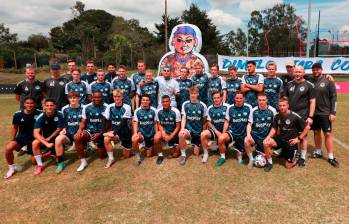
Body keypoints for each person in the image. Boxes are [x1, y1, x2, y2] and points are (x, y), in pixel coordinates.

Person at [263, 97, 309, 172]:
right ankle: (269, 163)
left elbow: (307, 127)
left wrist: (298, 139)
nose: (282, 107)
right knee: (265, 142)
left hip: (291, 142)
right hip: (281, 139)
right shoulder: (277, 116)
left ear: (288, 106)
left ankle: (296, 157)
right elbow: (274, 129)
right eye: (280, 105)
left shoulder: (294, 116)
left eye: (284, 105)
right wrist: (268, 137)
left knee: (288, 166)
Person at [284, 66, 315, 167]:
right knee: (291, 135)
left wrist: (310, 116)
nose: (297, 74)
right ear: (293, 72)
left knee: (303, 137)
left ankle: (302, 157)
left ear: (303, 73)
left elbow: (312, 102)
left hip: (302, 115)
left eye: (299, 72)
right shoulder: (289, 84)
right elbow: (285, 99)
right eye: (296, 72)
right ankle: (295, 153)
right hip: (290, 115)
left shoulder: (309, 85)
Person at [4, 97, 42, 179]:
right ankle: (12, 168)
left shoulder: (40, 113)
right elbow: (15, 127)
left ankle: (44, 153)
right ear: (24, 104)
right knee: (8, 148)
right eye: (27, 103)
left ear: (35, 104)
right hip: (22, 138)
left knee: (34, 162)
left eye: (31, 103)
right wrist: (13, 139)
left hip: (34, 139)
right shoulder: (18, 114)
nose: (29, 105)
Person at [310, 63, 339, 167]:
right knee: (316, 132)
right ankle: (318, 151)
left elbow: (334, 98)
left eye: (317, 69)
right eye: (313, 70)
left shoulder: (328, 81)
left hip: (325, 113)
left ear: (321, 70)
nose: (315, 71)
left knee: (327, 134)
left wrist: (333, 112)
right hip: (314, 113)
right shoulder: (310, 81)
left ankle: (331, 156)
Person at [74, 92, 108, 172]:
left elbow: (108, 123)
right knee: (77, 137)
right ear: (91, 98)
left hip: (102, 132)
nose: (97, 99)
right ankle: (83, 162)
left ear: (102, 97)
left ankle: (100, 146)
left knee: (102, 156)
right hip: (90, 131)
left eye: (99, 97)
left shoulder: (106, 107)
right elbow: (83, 121)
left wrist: (100, 133)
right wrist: (79, 130)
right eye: (95, 97)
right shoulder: (86, 107)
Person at [218, 92, 252, 166]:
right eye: (237, 98)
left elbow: (250, 122)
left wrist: (249, 134)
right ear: (234, 98)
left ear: (244, 99)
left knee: (239, 157)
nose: (239, 100)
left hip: (243, 134)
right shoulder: (230, 108)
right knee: (221, 138)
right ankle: (222, 157)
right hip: (233, 132)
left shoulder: (248, 107)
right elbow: (227, 121)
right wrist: (223, 133)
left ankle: (243, 151)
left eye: (240, 98)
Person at [32, 99, 65, 175]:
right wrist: (46, 143)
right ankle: (40, 165)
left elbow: (58, 129)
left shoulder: (59, 114)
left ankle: (54, 156)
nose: (49, 107)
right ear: (44, 107)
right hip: (46, 140)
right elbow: (35, 134)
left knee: (57, 160)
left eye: (51, 105)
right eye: (47, 105)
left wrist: (49, 138)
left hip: (57, 139)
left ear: (55, 106)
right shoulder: (41, 116)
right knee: (34, 144)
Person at [244, 93, 277, 170]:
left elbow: (275, 126)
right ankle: (251, 159)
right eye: (260, 100)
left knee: (266, 154)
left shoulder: (272, 110)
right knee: (246, 140)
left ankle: (269, 153)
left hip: (266, 136)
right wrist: (248, 134)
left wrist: (270, 137)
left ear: (267, 100)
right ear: (257, 101)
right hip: (256, 136)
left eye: (263, 100)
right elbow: (249, 124)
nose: (261, 102)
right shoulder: (253, 110)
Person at [103, 89, 133, 168]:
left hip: (125, 132)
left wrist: (113, 133)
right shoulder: (110, 107)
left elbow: (123, 123)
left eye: (119, 96)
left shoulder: (127, 107)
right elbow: (105, 120)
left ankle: (127, 148)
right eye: (115, 96)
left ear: (122, 97)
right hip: (115, 133)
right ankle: (111, 158)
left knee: (126, 156)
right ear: (113, 97)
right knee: (106, 138)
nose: (117, 98)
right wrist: (103, 131)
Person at [178, 86, 207, 165]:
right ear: (189, 94)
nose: (193, 95)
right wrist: (182, 129)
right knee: (181, 134)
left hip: (198, 131)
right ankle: (183, 155)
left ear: (198, 94)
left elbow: (204, 121)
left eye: (195, 93)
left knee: (197, 153)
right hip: (189, 130)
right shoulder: (185, 104)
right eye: (191, 93)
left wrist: (203, 132)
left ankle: (196, 144)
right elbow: (184, 117)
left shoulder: (203, 105)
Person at [55, 92, 83, 174]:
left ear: (78, 98)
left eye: (75, 98)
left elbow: (85, 121)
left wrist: (81, 130)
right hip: (69, 134)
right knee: (58, 139)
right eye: (71, 98)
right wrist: (63, 129)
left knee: (83, 153)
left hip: (80, 133)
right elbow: (63, 121)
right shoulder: (64, 109)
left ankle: (86, 146)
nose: (73, 99)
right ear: (68, 99)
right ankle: (60, 163)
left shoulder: (83, 108)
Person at [132, 95, 162, 166]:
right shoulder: (137, 111)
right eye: (143, 100)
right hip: (142, 134)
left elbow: (155, 123)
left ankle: (158, 153)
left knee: (149, 155)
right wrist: (135, 133)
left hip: (151, 134)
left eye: (147, 100)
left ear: (149, 101)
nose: (145, 101)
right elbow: (135, 122)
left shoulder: (154, 110)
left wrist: (156, 133)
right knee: (134, 139)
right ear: (141, 101)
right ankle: (138, 157)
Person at [200, 91, 229, 165]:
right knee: (203, 134)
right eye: (214, 98)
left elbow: (228, 121)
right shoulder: (210, 108)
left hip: (226, 131)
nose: (216, 99)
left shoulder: (227, 107)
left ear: (221, 98)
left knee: (223, 144)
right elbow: (209, 122)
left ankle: (222, 155)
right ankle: (206, 154)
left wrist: (222, 134)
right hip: (215, 130)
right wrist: (216, 132)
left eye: (218, 98)